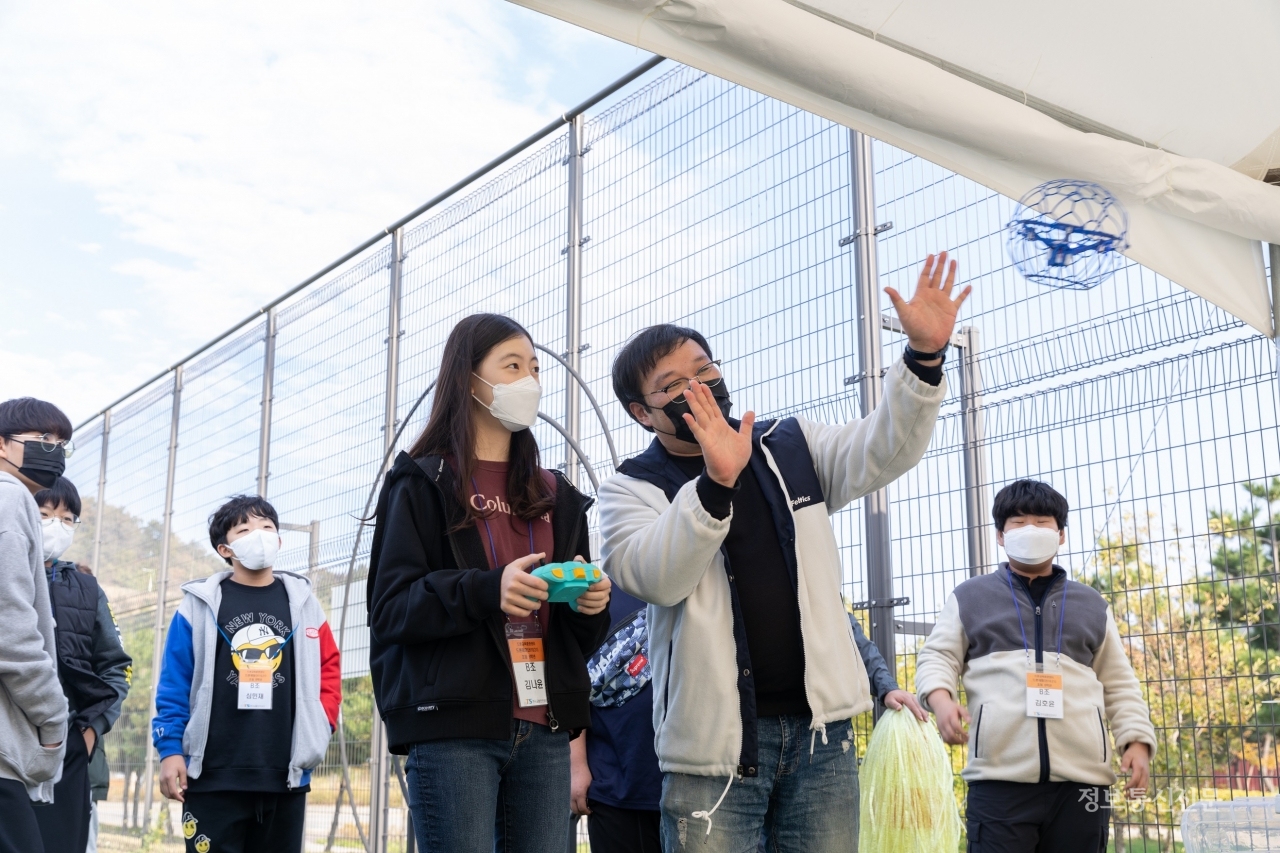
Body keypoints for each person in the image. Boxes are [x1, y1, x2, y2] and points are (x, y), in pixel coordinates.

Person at [597, 253, 967, 852]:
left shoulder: (788, 444)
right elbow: (654, 576)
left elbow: (881, 448)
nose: (696, 388)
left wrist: (922, 359)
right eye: (670, 386)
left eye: (704, 369)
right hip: (712, 756)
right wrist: (715, 485)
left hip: (822, 738)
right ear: (642, 414)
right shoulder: (629, 488)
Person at [366, 313, 613, 853]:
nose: (530, 380)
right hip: (454, 730)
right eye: (512, 365)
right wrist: (486, 589)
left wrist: (590, 605)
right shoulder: (423, 481)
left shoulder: (557, 495)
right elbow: (390, 609)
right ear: (469, 379)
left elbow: (578, 639)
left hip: (546, 730)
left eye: (534, 368)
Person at [915, 479, 1157, 853]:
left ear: (1061, 535)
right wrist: (941, 699)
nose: (1031, 530)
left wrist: (1137, 741)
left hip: (1084, 785)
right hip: (998, 781)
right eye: (1018, 522)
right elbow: (938, 656)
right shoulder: (969, 597)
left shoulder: (1092, 605)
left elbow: (1119, 682)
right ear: (1000, 535)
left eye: (1043, 522)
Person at [570, 599, 926, 853]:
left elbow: (833, 617)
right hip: (621, 785)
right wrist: (576, 763)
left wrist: (885, 684)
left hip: (720, 778)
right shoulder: (606, 587)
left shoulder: (722, 569)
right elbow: (573, 676)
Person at [152, 494, 341, 853]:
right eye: (245, 529)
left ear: (280, 540)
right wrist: (170, 749)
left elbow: (329, 668)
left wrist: (322, 723)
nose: (259, 535)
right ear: (225, 548)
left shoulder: (303, 603)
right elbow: (175, 682)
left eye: (267, 527)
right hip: (211, 779)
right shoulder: (198, 605)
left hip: (284, 778)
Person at [33, 477, 132, 853]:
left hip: (67, 750)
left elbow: (116, 666)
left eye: (67, 518)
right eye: (44, 514)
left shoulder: (88, 589)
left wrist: (88, 733)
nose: (56, 525)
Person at [0, 398, 72, 853]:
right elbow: (10, 632)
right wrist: (53, 716)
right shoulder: (9, 498)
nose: (55, 451)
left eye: (62, 443)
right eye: (42, 439)